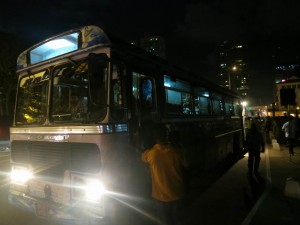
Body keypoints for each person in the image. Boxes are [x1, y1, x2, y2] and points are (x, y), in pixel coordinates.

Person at [141, 126, 189, 225]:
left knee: (164, 222)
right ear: (166, 136)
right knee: (178, 220)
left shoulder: (150, 154)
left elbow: (142, 157)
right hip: (177, 194)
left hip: (160, 197)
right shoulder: (176, 152)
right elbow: (187, 164)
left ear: (155, 138)